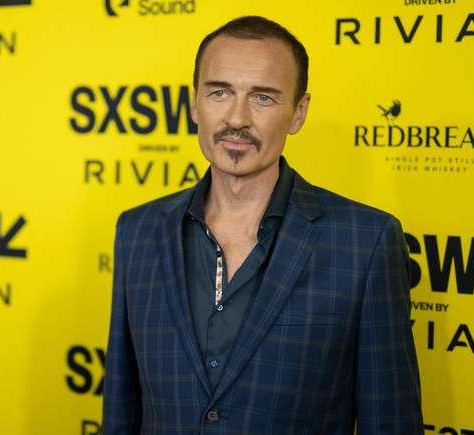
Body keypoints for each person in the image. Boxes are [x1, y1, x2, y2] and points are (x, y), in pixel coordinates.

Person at [102, 15, 423, 435]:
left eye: (263, 98)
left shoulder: (366, 243)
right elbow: (121, 412)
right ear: (195, 103)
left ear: (298, 113)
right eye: (219, 92)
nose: (237, 118)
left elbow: (391, 422)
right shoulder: (138, 232)